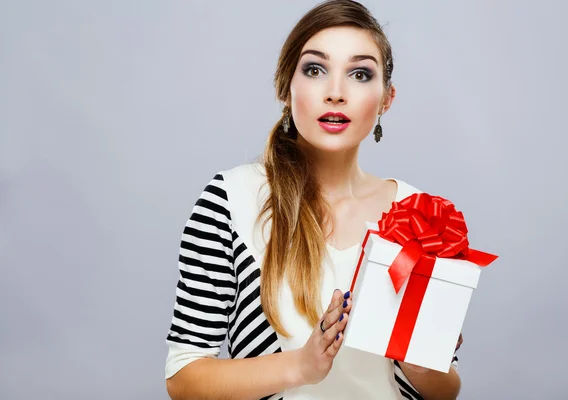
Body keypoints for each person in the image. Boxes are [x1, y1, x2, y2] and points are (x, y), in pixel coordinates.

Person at [164, 1, 463, 399]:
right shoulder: (231, 200)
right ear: (286, 86)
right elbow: (183, 379)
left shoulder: (423, 214)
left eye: (359, 74)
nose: (336, 93)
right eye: (315, 69)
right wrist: (301, 367)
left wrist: (421, 361)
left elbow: (446, 390)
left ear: (387, 98)